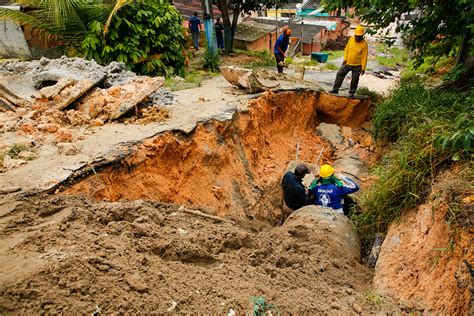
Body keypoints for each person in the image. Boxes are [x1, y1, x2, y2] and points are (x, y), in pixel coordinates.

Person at [329, 25, 368, 97]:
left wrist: (363, 68)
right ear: (355, 34)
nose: (358, 38)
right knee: (339, 73)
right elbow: (347, 49)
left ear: (362, 36)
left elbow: (364, 56)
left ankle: (351, 93)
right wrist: (345, 59)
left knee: (355, 79)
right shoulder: (351, 39)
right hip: (347, 63)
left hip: (357, 66)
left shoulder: (364, 44)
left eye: (359, 36)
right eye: (357, 36)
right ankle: (335, 90)